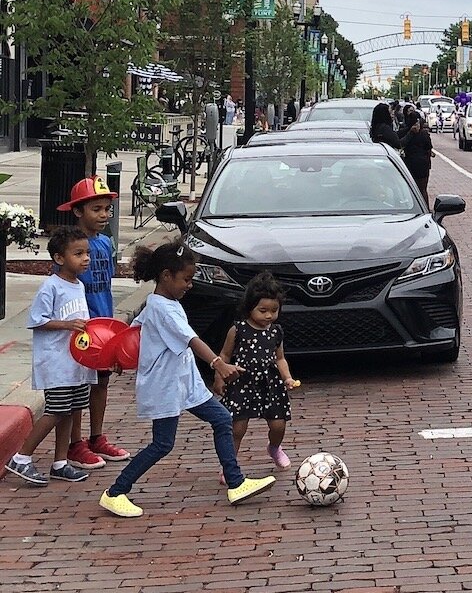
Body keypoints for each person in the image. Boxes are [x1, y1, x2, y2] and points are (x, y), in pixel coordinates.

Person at [99, 242, 277, 518]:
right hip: (167, 386)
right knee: (162, 444)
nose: (190, 285)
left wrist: (118, 358)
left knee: (221, 419)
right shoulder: (164, 309)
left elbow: (133, 333)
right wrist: (219, 364)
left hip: (184, 383)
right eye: (186, 279)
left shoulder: (161, 303)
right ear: (167, 275)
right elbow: (191, 339)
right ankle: (115, 492)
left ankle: (236, 483)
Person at [4, 228, 96, 486]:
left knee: (70, 411)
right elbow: (36, 320)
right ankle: (21, 457)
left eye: (87, 253)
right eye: (78, 254)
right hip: (56, 363)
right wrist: (67, 325)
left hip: (76, 363)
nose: (85, 258)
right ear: (59, 258)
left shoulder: (78, 286)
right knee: (55, 410)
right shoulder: (51, 287)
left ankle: (60, 462)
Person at [56, 177, 129, 470]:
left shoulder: (104, 243)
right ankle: (75, 443)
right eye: (96, 209)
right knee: (78, 385)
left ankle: (96, 436)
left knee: (101, 381)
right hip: (80, 326)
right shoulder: (70, 247)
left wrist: (111, 322)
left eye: (106, 209)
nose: (103, 215)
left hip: (103, 323)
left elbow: (106, 284)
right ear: (77, 211)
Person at [214, 272, 298, 477]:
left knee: (278, 424)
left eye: (274, 310)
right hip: (242, 383)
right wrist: (219, 377)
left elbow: (280, 358)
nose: (269, 315)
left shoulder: (276, 331)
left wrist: (287, 377)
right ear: (250, 307)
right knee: (237, 429)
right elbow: (224, 354)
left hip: (270, 384)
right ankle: (230, 466)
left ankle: (274, 448)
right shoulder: (238, 329)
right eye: (263, 310)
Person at [398, 108, 436, 205]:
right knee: (423, 189)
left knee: (412, 189)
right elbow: (429, 147)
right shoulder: (423, 134)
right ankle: (425, 208)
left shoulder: (403, 132)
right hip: (422, 164)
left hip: (410, 163)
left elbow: (400, 144)